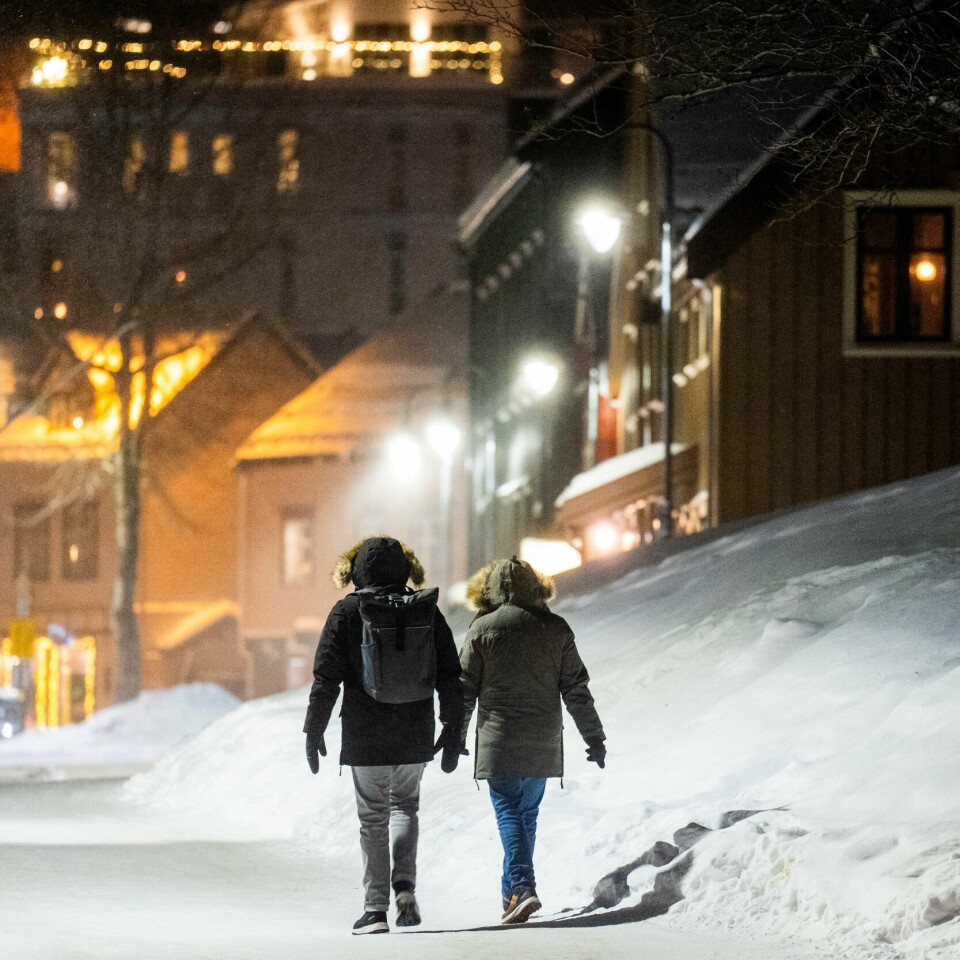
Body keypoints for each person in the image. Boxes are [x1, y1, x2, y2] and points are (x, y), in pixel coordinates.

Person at [304, 536, 463, 935]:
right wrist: (452, 727)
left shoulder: (348, 611)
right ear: (405, 569)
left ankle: (375, 910)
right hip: (415, 729)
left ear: (357, 571)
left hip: (366, 731)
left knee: (373, 818)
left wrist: (314, 727)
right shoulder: (425, 609)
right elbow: (449, 673)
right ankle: (405, 888)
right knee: (405, 807)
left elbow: (326, 676)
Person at [459, 555, 606, 925]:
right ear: (536, 587)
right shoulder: (555, 628)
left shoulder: (482, 628)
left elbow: (463, 690)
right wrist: (594, 736)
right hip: (543, 740)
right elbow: (576, 688)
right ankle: (511, 894)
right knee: (526, 814)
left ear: (491, 590)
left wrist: (453, 736)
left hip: (499, 740)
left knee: (509, 810)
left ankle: (523, 887)